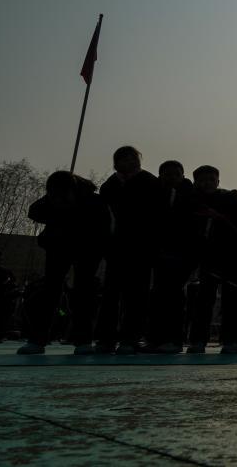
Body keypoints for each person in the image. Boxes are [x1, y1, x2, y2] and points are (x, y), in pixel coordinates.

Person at [17, 172, 111, 355]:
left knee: (83, 293)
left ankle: (83, 340)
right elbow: (34, 211)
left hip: (87, 250)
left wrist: (99, 248)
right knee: (50, 291)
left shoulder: (94, 202)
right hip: (58, 248)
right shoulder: (52, 200)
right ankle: (38, 339)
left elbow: (104, 229)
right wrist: (53, 205)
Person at [95, 146, 164, 354]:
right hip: (115, 248)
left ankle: (130, 338)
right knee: (110, 294)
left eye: (132, 158)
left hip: (142, 248)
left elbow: (158, 216)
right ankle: (105, 339)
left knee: (137, 295)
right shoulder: (109, 185)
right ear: (116, 162)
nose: (129, 162)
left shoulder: (150, 182)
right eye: (123, 159)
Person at [187, 165, 237, 354]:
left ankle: (231, 340)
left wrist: (222, 218)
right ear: (196, 182)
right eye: (202, 180)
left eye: (211, 179)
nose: (207, 183)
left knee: (232, 301)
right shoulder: (192, 201)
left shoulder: (231, 198)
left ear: (218, 181)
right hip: (206, 259)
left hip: (231, 257)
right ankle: (198, 340)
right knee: (203, 301)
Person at [146, 160, 196, 353]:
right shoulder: (156, 194)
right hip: (160, 253)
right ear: (160, 176)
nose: (172, 178)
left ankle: (174, 340)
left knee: (174, 297)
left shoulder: (190, 196)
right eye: (167, 174)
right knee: (158, 296)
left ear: (183, 176)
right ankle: (155, 339)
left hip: (182, 254)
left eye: (176, 174)